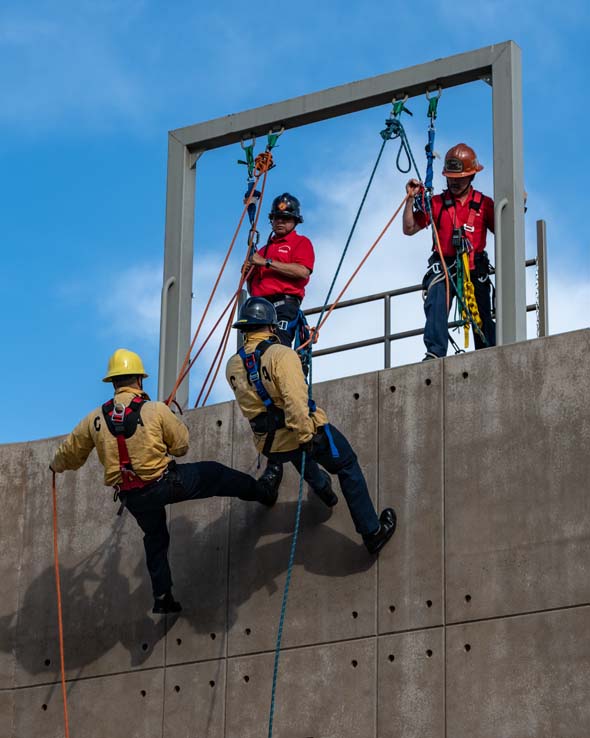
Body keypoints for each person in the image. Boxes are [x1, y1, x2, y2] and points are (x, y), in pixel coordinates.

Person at [50, 349, 280, 614]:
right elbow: (181, 446)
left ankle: (162, 595)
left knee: (155, 536)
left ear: (113, 383)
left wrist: (55, 465)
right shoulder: (155, 410)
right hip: (164, 483)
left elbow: (70, 451)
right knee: (216, 475)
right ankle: (264, 492)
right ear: (139, 380)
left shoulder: (95, 420)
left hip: (132, 497)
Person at [225, 297, 397, 555]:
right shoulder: (282, 356)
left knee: (293, 449)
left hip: (269, 443)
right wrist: (306, 436)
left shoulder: (233, 366)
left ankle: (323, 488)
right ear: (272, 327)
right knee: (346, 463)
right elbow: (296, 402)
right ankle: (372, 532)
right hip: (298, 432)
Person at [403, 143, 496, 360]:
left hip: (474, 269)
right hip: (445, 267)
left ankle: (488, 353)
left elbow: (505, 228)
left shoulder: (484, 204)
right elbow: (409, 228)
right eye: (451, 177)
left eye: (459, 178)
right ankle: (435, 352)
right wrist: (410, 199)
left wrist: (517, 206)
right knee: (436, 298)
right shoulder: (436, 203)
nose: (454, 182)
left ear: (471, 177)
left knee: (481, 314)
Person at [247, 192, 315, 347]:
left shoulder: (301, 243)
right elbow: (253, 290)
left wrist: (266, 263)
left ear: (295, 221)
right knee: (254, 349)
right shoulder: (262, 251)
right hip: (259, 306)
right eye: (277, 218)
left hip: (283, 304)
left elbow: (302, 271)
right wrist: (248, 274)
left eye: (286, 218)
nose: (280, 221)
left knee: (278, 344)